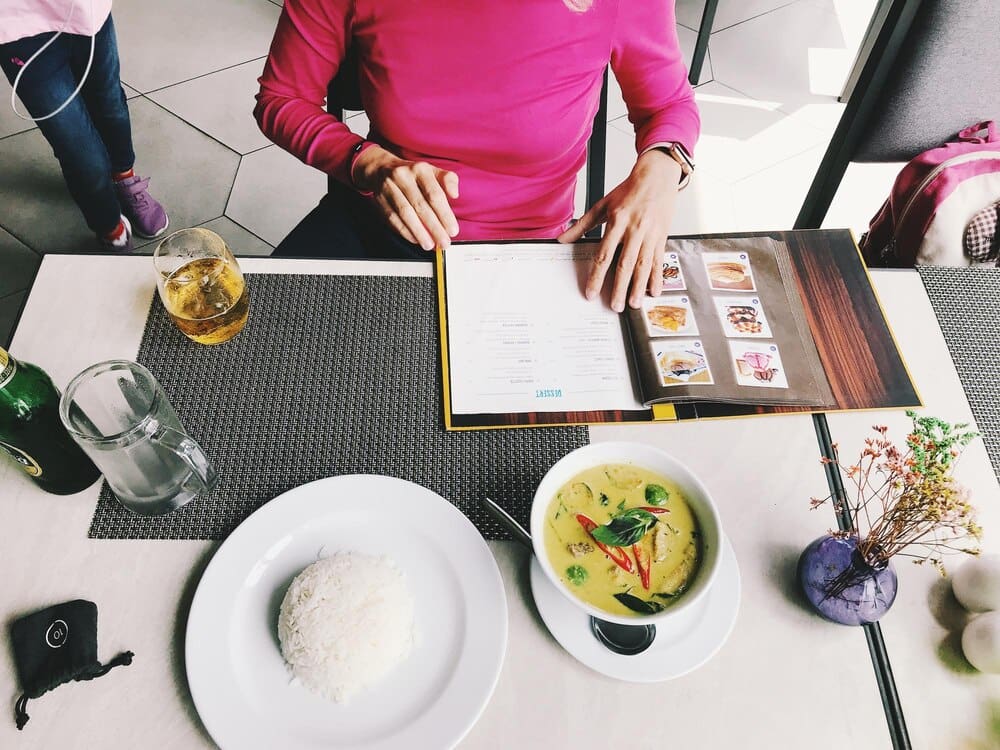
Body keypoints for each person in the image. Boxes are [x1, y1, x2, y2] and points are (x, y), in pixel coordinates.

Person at [256, 0, 699, 312]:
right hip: (378, 219)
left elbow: (668, 105)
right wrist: (366, 162)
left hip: (528, 251)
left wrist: (661, 169)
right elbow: (282, 97)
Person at [1, 0, 168, 251]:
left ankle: (125, 179)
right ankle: (110, 226)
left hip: (88, 13)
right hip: (20, 30)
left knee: (110, 105)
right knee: (75, 143)